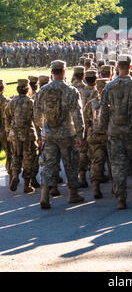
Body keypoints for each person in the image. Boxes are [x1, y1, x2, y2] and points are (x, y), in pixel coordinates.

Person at [99, 54, 132, 210]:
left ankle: (121, 197)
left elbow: (104, 111)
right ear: (130, 67)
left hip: (115, 131)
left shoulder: (109, 86)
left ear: (116, 67)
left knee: (117, 165)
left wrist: (104, 128)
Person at [34, 60, 85, 209]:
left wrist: (44, 126)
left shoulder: (42, 91)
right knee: (70, 163)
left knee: (49, 164)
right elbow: (77, 115)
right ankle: (73, 194)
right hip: (66, 134)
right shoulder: (71, 91)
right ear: (64, 72)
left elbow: (36, 114)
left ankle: (44, 195)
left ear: (52, 72)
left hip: (48, 134)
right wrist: (79, 134)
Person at [5, 79, 39, 193]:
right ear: (27, 89)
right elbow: (36, 119)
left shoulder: (12, 102)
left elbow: (7, 116)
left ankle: (15, 175)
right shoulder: (31, 102)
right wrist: (39, 136)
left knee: (16, 155)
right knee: (28, 157)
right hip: (27, 133)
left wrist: (8, 131)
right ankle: (27, 185)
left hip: (14, 133)